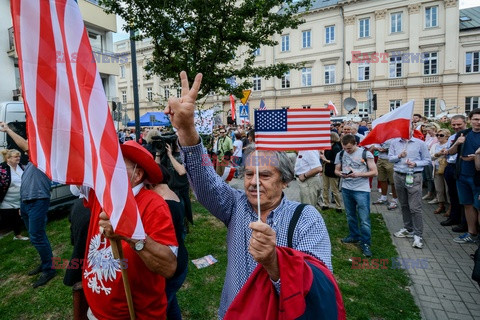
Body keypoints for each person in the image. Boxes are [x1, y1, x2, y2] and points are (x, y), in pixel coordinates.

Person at [165, 72, 342, 319]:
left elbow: (317, 283)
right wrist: (186, 130)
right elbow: (205, 181)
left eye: (265, 175)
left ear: (285, 182)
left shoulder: (306, 219)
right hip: (234, 312)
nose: (253, 183)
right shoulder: (236, 206)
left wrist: (274, 261)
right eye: (249, 174)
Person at [81, 140, 178, 319]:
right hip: (96, 312)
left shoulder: (153, 205)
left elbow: (168, 267)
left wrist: (129, 234)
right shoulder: (101, 194)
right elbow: (75, 164)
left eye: (115, 165)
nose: (106, 169)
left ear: (137, 174)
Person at [334, 134, 377, 257]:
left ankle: (365, 243)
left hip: (362, 190)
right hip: (347, 188)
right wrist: (341, 174)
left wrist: (358, 174)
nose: (347, 151)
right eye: (345, 148)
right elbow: (336, 170)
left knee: (364, 219)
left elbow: (374, 172)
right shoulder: (341, 154)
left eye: (349, 149)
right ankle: (354, 235)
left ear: (355, 144)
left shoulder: (366, 154)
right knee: (350, 215)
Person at [389, 128, 431, 249]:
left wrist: (415, 163)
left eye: (409, 129)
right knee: (404, 204)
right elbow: (390, 158)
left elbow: (428, 160)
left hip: (414, 175)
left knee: (415, 207)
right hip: (398, 175)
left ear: (413, 130)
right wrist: (399, 156)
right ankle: (408, 228)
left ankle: (418, 234)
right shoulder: (394, 142)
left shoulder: (420, 143)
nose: (406, 131)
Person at [447, 108, 480, 244]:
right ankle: (471, 233)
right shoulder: (463, 133)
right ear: (470, 120)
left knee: (479, 206)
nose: (478, 122)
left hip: (478, 177)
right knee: (467, 204)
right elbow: (451, 152)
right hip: (462, 174)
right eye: (476, 119)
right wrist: (457, 143)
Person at [441, 115, 468, 229]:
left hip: (462, 167)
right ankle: (454, 217)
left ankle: (464, 222)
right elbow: (448, 151)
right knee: (452, 194)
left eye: (459, 124)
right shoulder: (452, 136)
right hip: (450, 166)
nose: (456, 127)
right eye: (453, 124)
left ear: (465, 123)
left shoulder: (469, 135)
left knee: (463, 196)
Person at [0, 149, 28, 240]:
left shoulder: (21, 166)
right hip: (6, 199)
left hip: (19, 199)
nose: (18, 158)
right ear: (8, 159)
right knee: (6, 218)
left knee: (17, 217)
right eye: (16, 156)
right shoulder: (2, 168)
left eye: (19, 156)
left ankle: (17, 235)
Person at [371, 140, 398, 210]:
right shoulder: (381, 135)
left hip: (390, 160)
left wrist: (387, 149)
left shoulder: (395, 137)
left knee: (393, 181)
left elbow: (397, 148)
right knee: (381, 179)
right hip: (380, 158)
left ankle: (395, 200)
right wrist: (377, 148)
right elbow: (375, 145)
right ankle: (383, 197)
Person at [320, 132, 342, 212]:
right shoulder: (328, 147)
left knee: (334, 190)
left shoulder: (336, 147)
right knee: (325, 188)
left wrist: (325, 160)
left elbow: (337, 161)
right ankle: (326, 204)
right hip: (326, 169)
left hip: (333, 170)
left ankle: (338, 206)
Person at [430, 129, 451, 215]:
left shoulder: (449, 144)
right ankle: (441, 205)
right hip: (437, 169)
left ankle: (450, 206)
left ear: (447, 136)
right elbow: (430, 157)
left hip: (447, 168)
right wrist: (438, 154)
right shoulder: (435, 145)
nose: (438, 136)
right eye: (437, 135)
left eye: (441, 135)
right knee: (439, 189)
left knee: (448, 189)